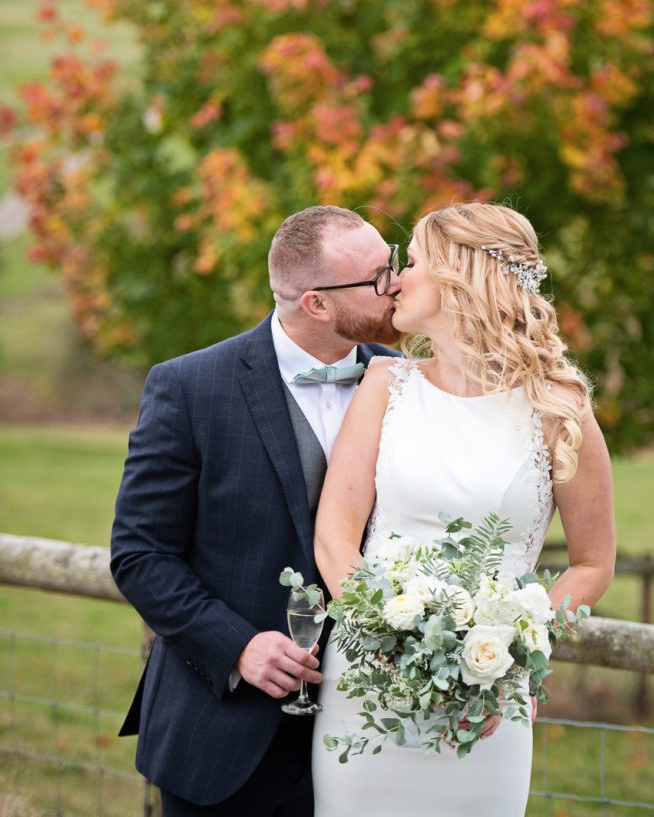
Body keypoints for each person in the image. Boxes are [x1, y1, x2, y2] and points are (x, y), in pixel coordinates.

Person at [313, 201, 616, 817]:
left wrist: (509, 649)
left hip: (489, 699)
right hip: (368, 684)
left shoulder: (558, 409)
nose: (396, 280)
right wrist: (382, 638)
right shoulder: (385, 385)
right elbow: (334, 537)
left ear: (459, 277)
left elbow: (593, 563)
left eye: (415, 261)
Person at [110, 206, 402, 816]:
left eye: (393, 264)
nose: (397, 285)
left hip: (378, 735)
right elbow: (141, 555)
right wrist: (238, 645)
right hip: (226, 735)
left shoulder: (409, 385)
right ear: (317, 304)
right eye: (377, 278)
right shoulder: (189, 387)